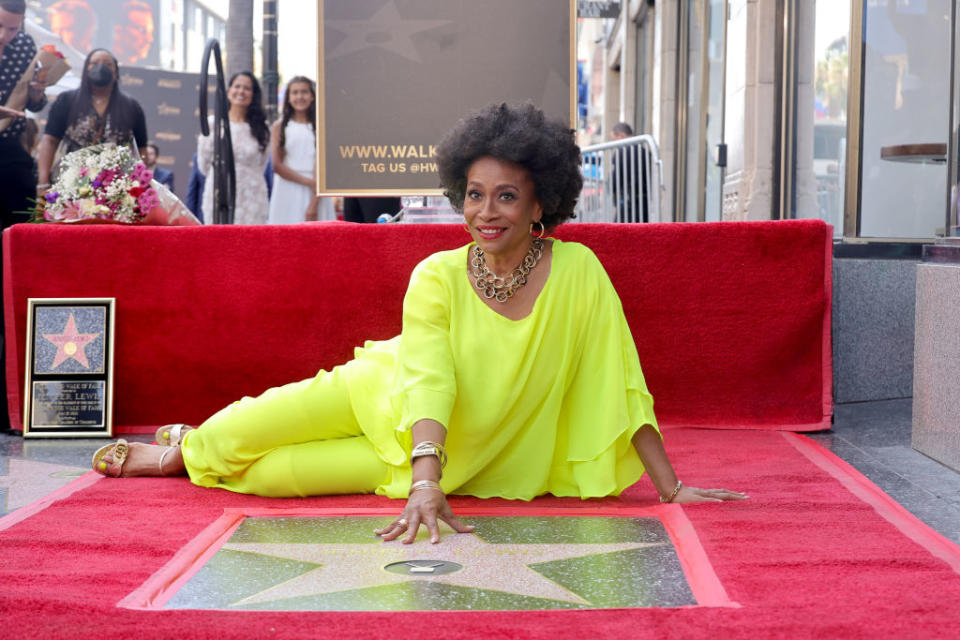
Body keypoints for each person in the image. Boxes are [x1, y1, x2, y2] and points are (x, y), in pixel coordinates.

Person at [91, 103, 746, 543]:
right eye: (474, 194)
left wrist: (671, 488)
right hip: (381, 397)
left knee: (268, 478)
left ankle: (195, 451)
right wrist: (427, 477)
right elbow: (428, 375)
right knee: (238, 430)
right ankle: (180, 451)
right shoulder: (437, 273)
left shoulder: (579, 273)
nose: (485, 212)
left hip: (439, 460)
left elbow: (621, 381)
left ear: (541, 200)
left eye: (507, 196)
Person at [0, 0, 47, 430]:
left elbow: (37, 103)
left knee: (15, 260)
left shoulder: (26, 46)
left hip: (10, 153)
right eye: (1, 27)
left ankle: (11, 400)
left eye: (13, 30)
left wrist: (35, 93)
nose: (6, 37)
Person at [35, 48, 147, 192]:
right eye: (94, 63)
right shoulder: (67, 101)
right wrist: (43, 182)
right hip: (71, 183)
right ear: (85, 69)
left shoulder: (131, 106)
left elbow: (142, 149)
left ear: (116, 72)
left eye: (107, 64)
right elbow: (49, 141)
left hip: (116, 187)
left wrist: (139, 183)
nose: (101, 67)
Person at [197, 70, 269, 225]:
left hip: (253, 196)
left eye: (247, 88)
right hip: (219, 192)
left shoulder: (261, 128)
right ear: (228, 90)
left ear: (253, 94)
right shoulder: (213, 124)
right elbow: (203, 165)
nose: (241, 91)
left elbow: (262, 164)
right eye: (237, 86)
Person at [267, 76, 331, 223]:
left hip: (317, 190)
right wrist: (309, 183)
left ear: (312, 96)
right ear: (288, 98)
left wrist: (315, 198)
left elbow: (322, 164)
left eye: (304, 92)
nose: (299, 96)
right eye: (294, 93)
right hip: (288, 188)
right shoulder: (280, 126)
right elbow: (277, 165)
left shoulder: (321, 125)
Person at [610, 121, 645, 223]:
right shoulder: (644, 152)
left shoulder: (622, 152)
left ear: (621, 136)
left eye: (614, 140)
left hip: (626, 204)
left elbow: (614, 180)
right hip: (642, 205)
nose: (613, 144)